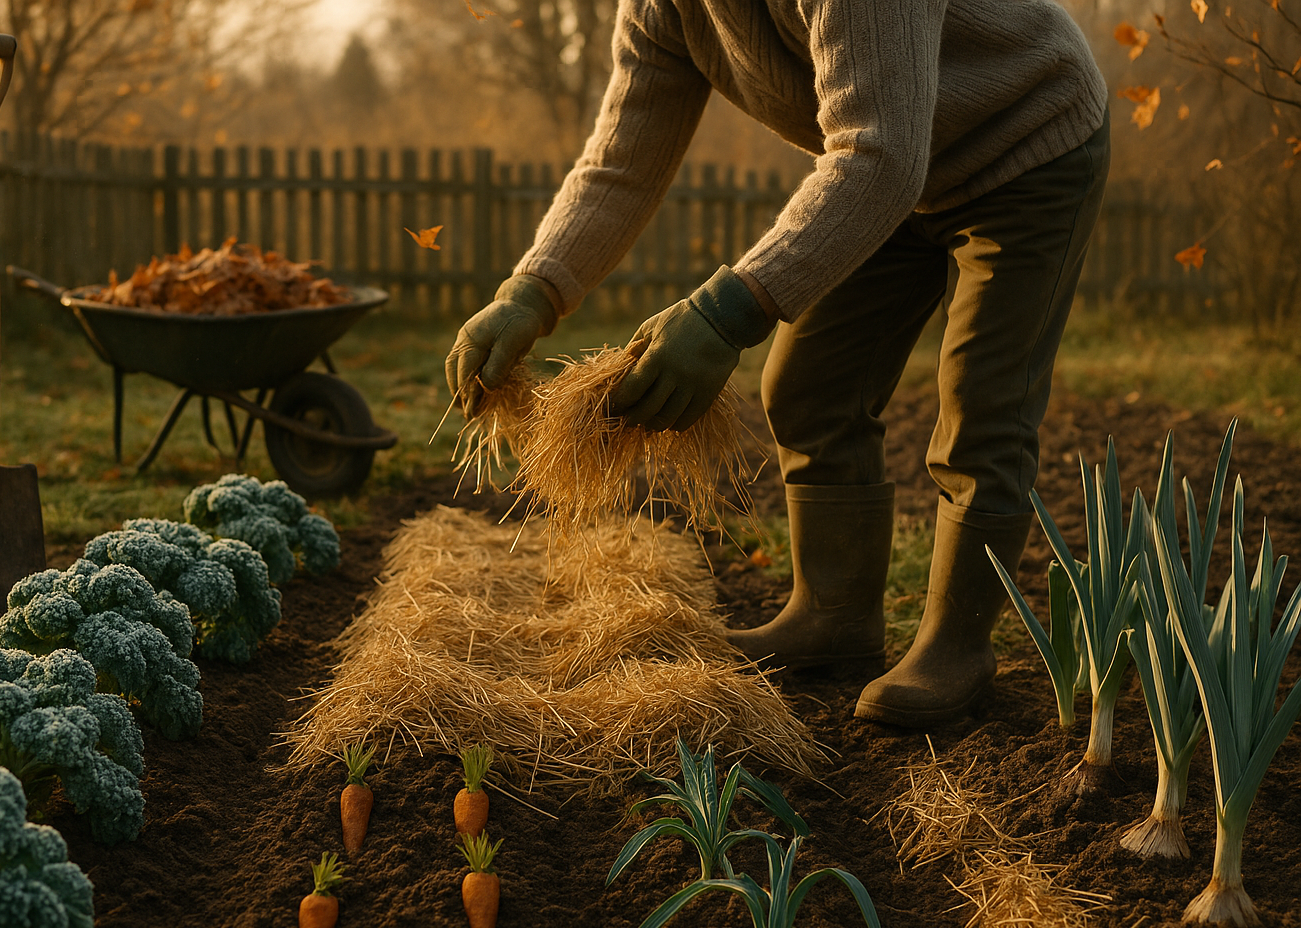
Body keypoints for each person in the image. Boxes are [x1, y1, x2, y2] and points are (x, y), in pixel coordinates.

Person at [444, 0, 1110, 727]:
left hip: (1025, 144)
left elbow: (880, 154)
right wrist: (531, 291)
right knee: (808, 384)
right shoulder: (662, 10)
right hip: (889, 172)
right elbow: (622, 162)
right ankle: (833, 616)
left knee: (984, 401)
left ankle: (958, 645)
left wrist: (724, 314)